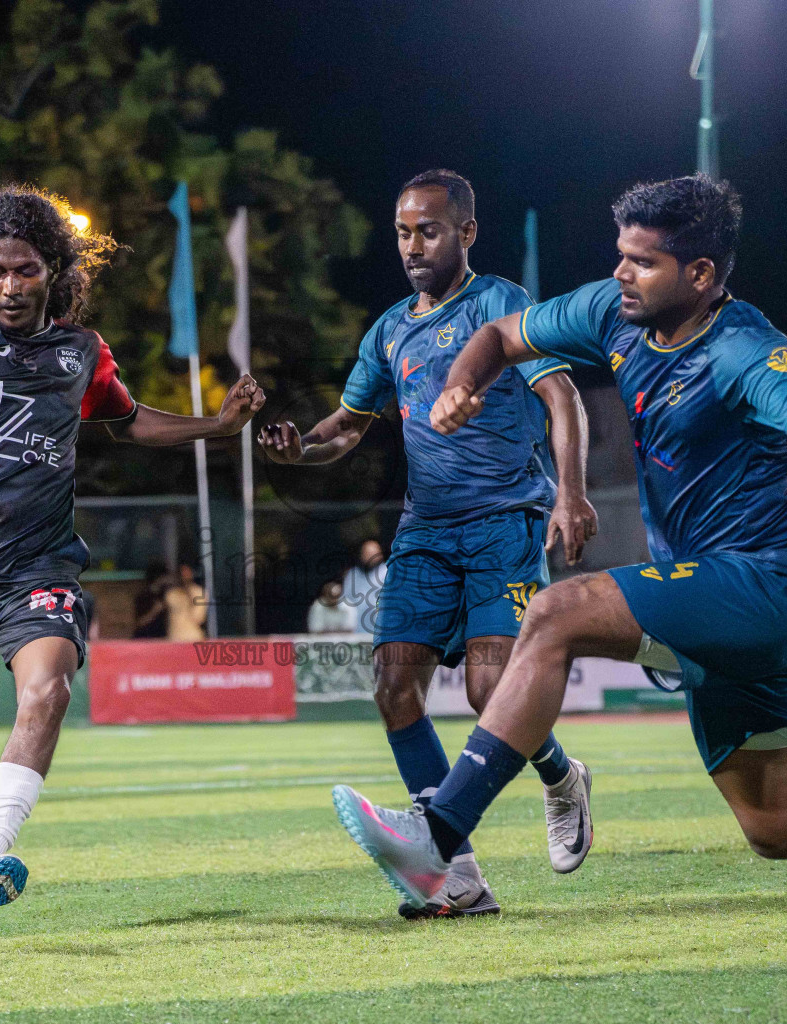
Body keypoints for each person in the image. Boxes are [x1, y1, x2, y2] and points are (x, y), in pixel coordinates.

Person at [331, 174, 787, 944]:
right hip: (716, 600)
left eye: (642, 262)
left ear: (700, 275)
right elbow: (499, 336)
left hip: (768, 581)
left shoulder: (744, 347)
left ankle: (440, 837)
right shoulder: (611, 311)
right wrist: (461, 383)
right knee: (782, 826)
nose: (620, 274)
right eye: (620, 256)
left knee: (554, 611)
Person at [0, 185, 264, 921]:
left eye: (25, 270)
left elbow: (127, 421)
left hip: (36, 568)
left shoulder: (81, 352)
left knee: (51, 687)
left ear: (54, 271)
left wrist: (217, 428)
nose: (8, 285)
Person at [260, 169, 597, 919]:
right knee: (392, 685)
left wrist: (570, 492)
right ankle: (459, 877)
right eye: (404, 232)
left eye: (430, 231)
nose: (413, 246)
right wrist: (297, 453)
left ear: (467, 233)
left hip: (505, 521)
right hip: (425, 530)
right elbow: (345, 426)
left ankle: (562, 777)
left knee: (490, 692)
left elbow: (562, 395)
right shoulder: (388, 328)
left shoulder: (503, 303)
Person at [340, 539, 387, 635]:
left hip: (381, 631)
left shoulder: (387, 573)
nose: (370, 557)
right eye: (367, 553)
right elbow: (344, 601)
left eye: (373, 554)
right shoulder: (352, 574)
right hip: (356, 631)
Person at [164, 564, 207, 642]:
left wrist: (190, 596)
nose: (184, 576)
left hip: (193, 637)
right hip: (174, 638)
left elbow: (199, 618)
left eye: (187, 572)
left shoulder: (199, 592)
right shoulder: (172, 593)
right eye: (182, 573)